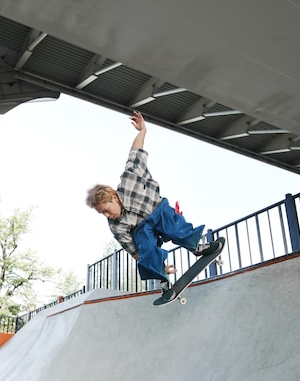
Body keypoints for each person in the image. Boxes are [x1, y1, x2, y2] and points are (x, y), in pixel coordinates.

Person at [86, 111, 221, 290]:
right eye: (102, 213)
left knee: (174, 226)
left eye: (106, 209)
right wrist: (158, 267)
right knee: (145, 246)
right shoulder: (115, 226)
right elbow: (134, 251)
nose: (107, 215)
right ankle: (162, 278)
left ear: (114, 196)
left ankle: (197, 247)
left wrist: (142, 131)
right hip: (142, 228)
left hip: (157, 209)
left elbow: (135, 154)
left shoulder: (129, 180)